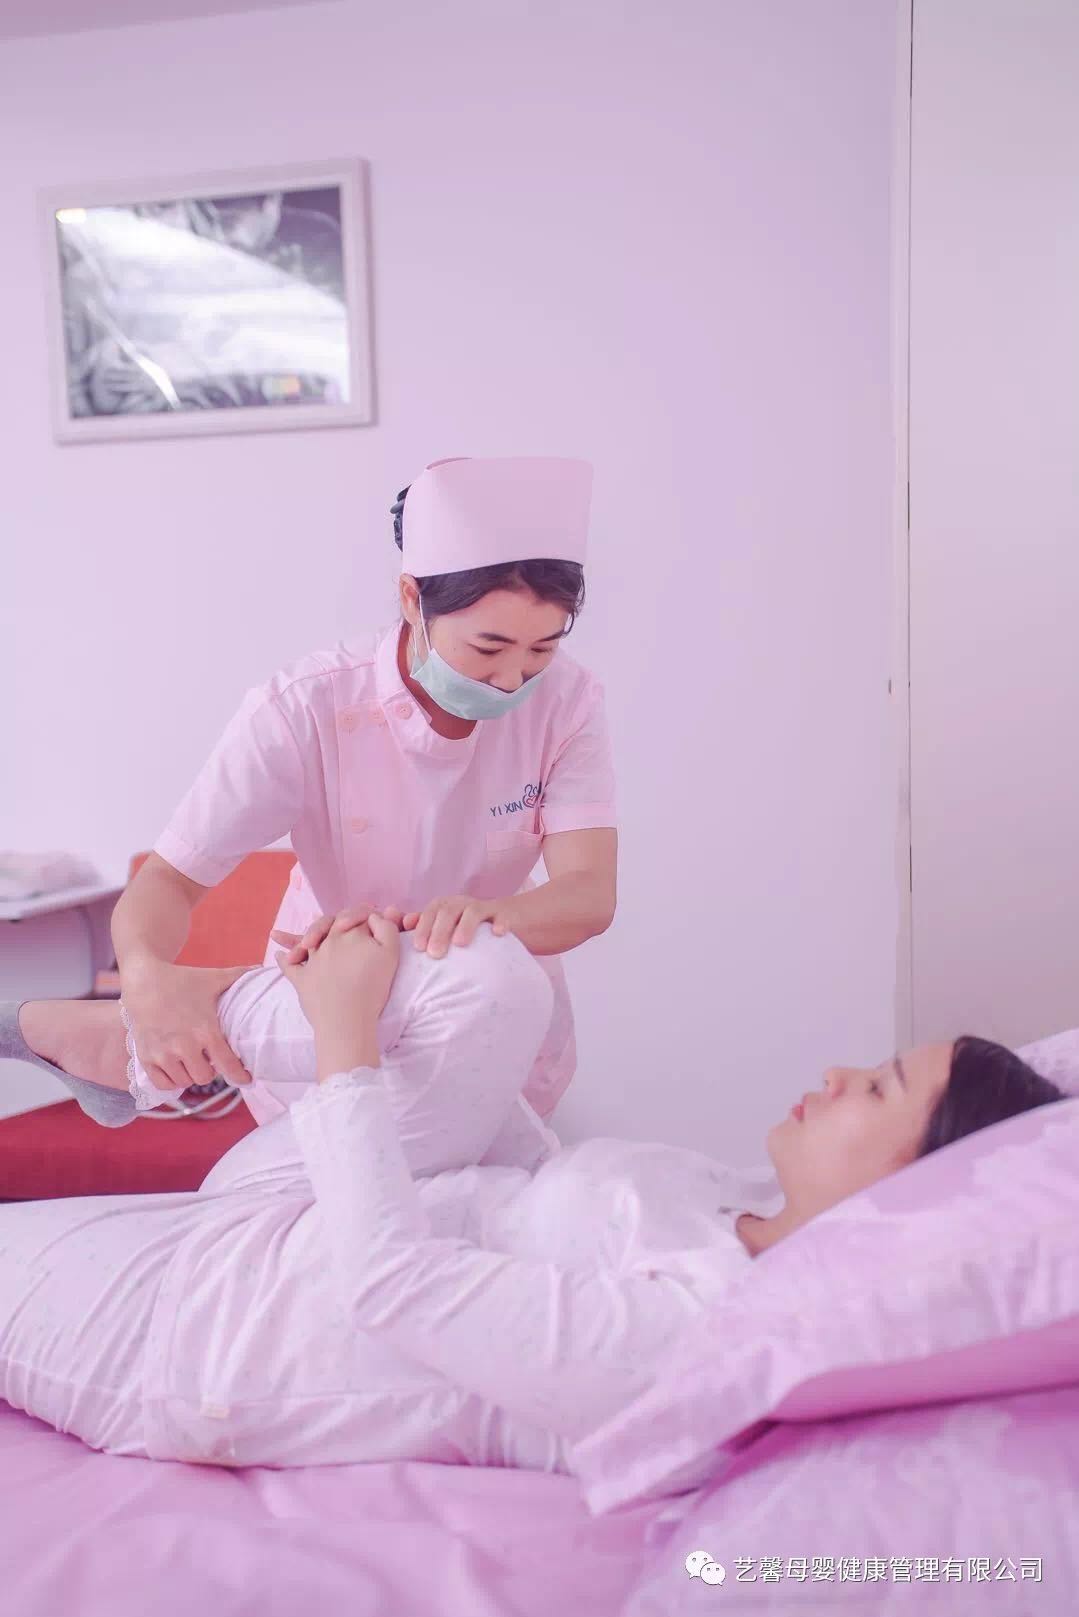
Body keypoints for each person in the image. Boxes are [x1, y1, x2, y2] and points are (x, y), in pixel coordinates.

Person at [0, 914, 1065, 1471]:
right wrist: (439, 1018)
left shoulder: (700, 1338)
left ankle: (129, 1039)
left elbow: (394, 1287)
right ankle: (125, 1046)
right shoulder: (736, 1199)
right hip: (314, 1204)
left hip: (201, 1334)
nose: (836, 1075)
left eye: (875, 1089)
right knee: (489, 977)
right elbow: (527, 1186)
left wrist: (346, 1032)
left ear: (913, 1201)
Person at [0, 455, 618, 1132]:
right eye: (488, 648)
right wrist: (146, 982)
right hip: (328, 1011)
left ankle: (110, 1045)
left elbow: (588, 893)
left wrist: (472, 922)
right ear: (411, 599)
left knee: (461, 990)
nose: (511, 679)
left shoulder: (567, 702)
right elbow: (170, 880)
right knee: (354, 1156)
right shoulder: (305, 707)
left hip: (484, 1009)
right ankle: (118, 1037)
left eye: (541, 650)